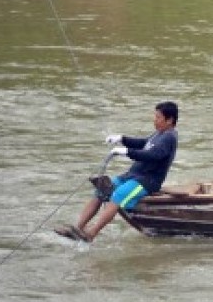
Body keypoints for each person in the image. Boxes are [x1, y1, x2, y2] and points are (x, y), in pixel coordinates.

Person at [55, 101, 179, 243]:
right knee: (102, 189)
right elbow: (142, 143)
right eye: (155, 116)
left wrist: (126, 152)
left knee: (118, 194)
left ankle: (91, 234)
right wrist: (121, 139)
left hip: (147, 181)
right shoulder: (159, 134)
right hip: (132, 175)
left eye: (158, 117)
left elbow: (153, 155)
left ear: (169, 120)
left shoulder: (170, 137)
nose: (154, 120)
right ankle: (78, 228)